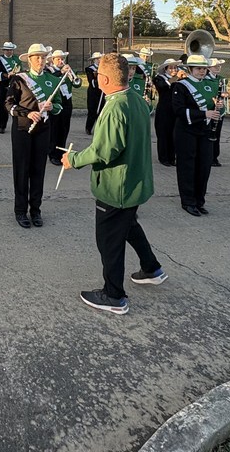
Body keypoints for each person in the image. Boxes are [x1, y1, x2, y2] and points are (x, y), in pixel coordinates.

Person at [63, 53, 167, 316]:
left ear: (105, 78)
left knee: (109, 240)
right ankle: (151, 268)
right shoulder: (136, 99)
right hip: (134, 183)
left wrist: (72, 159)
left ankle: (114, 295)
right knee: (130, 225)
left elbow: (103, 151)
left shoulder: (115, 107)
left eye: (98, 74)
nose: (96, 78)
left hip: (116, 187)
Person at [5, 43, 62, 228]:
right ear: (29, 60)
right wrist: (27, 113)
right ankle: (20, 211)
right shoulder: (18, 80)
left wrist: (53, 107)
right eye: (36, 57)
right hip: (22, 129)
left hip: (43, 130)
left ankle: (36, 210)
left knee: (38, 171)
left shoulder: (52, 80)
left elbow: (60, 105)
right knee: (22, 171)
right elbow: (8, 103)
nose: (40, 60)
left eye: (43, 57)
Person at [171, 54, 222, 216]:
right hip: (186, 131)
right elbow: (178, 110)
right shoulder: (181, 86)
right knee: (187, 166)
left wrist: (217, 105)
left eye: (204, 68)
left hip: (205, 131)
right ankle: (188, 201)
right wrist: (204, 114)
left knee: (204, 166)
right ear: (190, 69)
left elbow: (211, 106)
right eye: (198, 69)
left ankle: (199, 201)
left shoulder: (209, 84)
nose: (202, 71)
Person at [47, 49, 81, 165]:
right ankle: (52, 154)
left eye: (62, 58)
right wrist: (61, 72)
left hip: (67, 102)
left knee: (64, 128)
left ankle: (61, 151)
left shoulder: (68, 70)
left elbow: (77, 84)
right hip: (57, 102)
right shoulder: (50, 71)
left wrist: (73, 76)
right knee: (54, 128)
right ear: (53, 60)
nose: (61, 61)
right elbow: (51, 79)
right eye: (58, 59)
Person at [153, 58, 179, 167]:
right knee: (163, 134)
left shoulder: (179, 79)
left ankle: (172, 158)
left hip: (175, 110)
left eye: (175, 67)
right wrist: (175, 78)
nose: (173, 70)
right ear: (165, 69)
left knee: (174, 134)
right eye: (171, 68)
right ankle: (163, 158)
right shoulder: (159, 78)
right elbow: (162, 86)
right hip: (163, 110)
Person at [0, 41, 20, 134]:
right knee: (3, 106)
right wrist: (7, 75)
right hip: (4, 84)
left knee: (16, 104)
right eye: (7, 50)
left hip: (15, 85)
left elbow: (19, 69)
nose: (9, 52)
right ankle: (2, 126)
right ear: (4, 50)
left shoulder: (17, 59)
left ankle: (17, 125)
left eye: (10, 50)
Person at [207, 58, 228, 166]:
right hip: (210, 110)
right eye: (215, 66)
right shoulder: (205, 79)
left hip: (219, 110)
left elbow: (224, 92)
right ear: (209, 68)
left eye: (219, 66)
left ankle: (215, 157)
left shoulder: (221, 79)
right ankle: (208, 157)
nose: (218, 68)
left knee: (217, 134)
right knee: (208, 133)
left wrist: (225, 94)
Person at [84, 51, 104, 134]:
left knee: (101, 110)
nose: (99, 60)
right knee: (92, 110)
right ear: (94, 60)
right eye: (97, 59)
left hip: (102, 91)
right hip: (93, 92)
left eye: (100, 59)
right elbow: (91, 81)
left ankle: (100, 128)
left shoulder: (104, 68)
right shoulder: (90, 69)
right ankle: (88, 128)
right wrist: (97, 77)